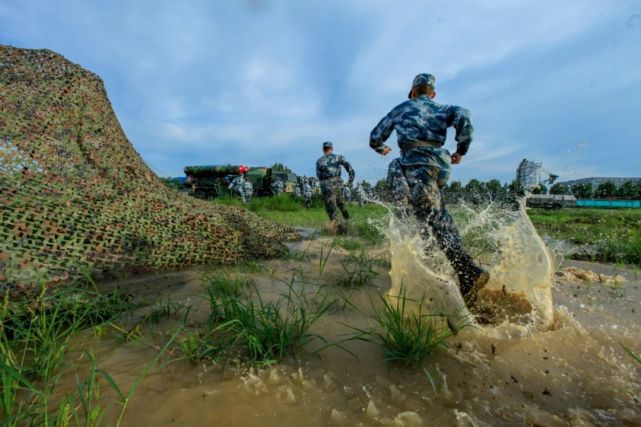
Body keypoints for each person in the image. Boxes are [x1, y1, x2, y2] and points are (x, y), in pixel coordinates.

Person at [369, 73, 489, 304]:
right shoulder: (443, 108)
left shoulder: (402, 108)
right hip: (437, 164)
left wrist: (381, 148)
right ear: (432, 93)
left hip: (417, 163)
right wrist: (461, 150)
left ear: (413, 92)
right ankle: (430, 261)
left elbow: (375, 137)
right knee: (424, 212)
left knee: (434, 215)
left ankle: (467, 271)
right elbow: (463, 115)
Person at [316, 141, 355, 223]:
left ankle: (337, 228)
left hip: (327, 185)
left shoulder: (319, 161)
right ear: (332, 149)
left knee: (331, 209)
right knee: (342, 206)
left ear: (323, 149)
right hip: (338, 183)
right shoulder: (338, 157)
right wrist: (350, 181)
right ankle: (349, 223)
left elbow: (319, 176)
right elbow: (350, 169)